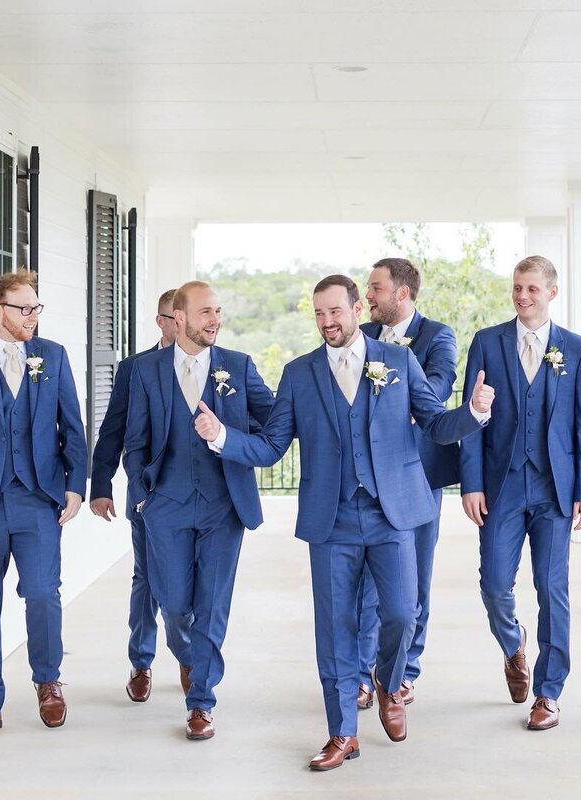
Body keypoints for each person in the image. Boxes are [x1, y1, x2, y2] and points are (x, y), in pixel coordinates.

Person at [194, 274, 494, 770]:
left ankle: (388, 682)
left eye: (335, 311)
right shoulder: (298, 373)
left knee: (402, 613)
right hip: (330, 519)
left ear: (357, 309)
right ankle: (342, 733)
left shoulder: (398, 360)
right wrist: (223, 436)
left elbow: (437, 423)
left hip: (391, 512)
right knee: (334, 628)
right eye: (318, 313)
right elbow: (271, 446)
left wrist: (475, 412)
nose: (327, 322)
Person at [123, 281, 274, 740]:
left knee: (211, 606)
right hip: (164, 505)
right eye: (205, 311)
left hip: (223, 507)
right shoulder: (146, 370)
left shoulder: (238, 367)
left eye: (219, 311)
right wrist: (145, 494)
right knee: (172, 603)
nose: (215, 319)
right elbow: (134, 442)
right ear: (180, 317)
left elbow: (273, 430)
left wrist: (227, 436)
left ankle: (202, 701)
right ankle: (190, 657)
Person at [460, 255, 581, 731]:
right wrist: (472, 483)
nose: (522, 296)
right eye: (517, 288)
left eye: (532, 289)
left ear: (551, 293)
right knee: (495, 584)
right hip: (500, 485)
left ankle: (548, 692)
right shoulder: (486, 342)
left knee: (551, 587)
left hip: (555, 488)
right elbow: (472, 421)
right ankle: (513, 642)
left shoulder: (576, 350)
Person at [0, 270, 87, 740]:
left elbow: (73, 424)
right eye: (23, 308)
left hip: (36, 499)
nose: (32, 316)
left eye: (35, 307)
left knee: (44, 594)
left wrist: (75, 484)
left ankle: (48, 683)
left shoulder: (52, 356)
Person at [355, 257, 459, 709]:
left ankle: (403, 671)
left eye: (375, 288)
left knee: (414, 580)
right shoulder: (361, 335)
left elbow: (434, 391)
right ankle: (361, 672)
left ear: (402, 294)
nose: (368, 296)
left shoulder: (438, 337)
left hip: (418, 477)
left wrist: (397, 380)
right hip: (368, 480)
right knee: (366, 586)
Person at [90, 289, 194, 702]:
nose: (180, 325)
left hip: (197, 497)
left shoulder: (208, 363)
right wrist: (101, 485)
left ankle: (188, 654)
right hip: (147, 496)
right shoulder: (134, 368)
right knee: (148, 578)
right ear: (162, 320)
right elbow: (112, 427)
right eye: (173, 317)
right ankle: (142, 661)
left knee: (186, 583)